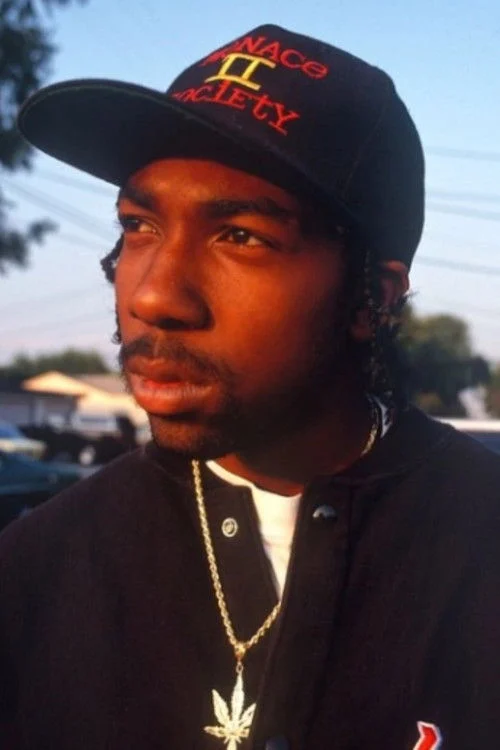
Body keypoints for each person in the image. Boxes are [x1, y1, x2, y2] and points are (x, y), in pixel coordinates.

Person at [0, 24, 499, 750]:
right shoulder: (36, 570)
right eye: (139, 224)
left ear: (374, 299)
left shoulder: (479, 541)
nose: (155, 295)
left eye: (240, 236)